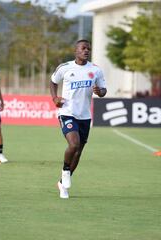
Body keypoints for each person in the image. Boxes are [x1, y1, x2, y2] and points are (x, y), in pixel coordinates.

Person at [50, 39, 107, 199]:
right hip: (67, 112)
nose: (86, 51)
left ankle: (62, 184)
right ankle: (65, 170)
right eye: (83, 48)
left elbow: (103, 91)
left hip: (85, 116)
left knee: (78, 152)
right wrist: (54, 98)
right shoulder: (65, 68)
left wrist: (99, 91)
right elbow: (53, 81)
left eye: (88, 48)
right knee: (73, 144)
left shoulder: (96, 70)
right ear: (76, 51)